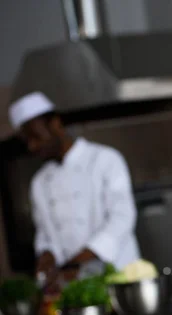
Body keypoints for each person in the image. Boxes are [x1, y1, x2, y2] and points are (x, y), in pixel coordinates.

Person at [8, 92, 140, 284]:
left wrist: (76, 263)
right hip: (72, 286)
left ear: (55, 124)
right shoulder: (40, 182)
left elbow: (122, 219)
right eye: (27, 140)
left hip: (119, 277)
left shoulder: (105, 159)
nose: (32, 146)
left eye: (36, 137)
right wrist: (46, 255)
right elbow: (45, 234)